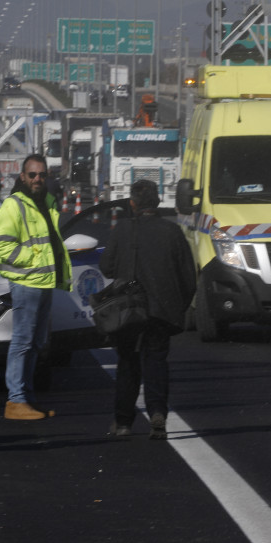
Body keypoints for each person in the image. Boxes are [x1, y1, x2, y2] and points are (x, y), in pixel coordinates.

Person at [99, 179, 195, 439]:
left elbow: (106, 267)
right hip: (161, 311)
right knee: (156, 361)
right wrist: (179, 306)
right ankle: (158, 413)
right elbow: (189, 277)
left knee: (128, 363)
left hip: (129, 311)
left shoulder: (122, 230)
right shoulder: (172, 232)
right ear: (158, 201)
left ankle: (123, 423)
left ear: (132, 203)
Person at [0, 153, 71, 420]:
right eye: (32, 174)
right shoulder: (14, 205)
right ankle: (15, 401)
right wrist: (33, 260)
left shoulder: (47, 202)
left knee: (37, 343)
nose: (38, 179)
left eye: (42, 175)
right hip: (27, 282)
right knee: (23, 342)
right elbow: (2, 245)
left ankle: (27, 398)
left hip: (43, 283)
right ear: (22, 177)